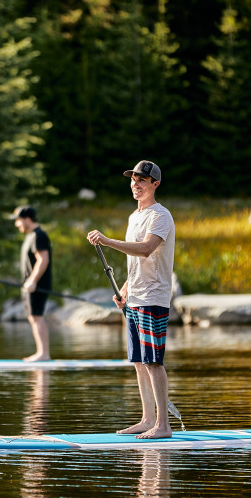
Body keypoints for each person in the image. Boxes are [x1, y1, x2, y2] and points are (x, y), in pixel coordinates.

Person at [86, 160, 175, 439]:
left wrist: (108, 241)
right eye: (133, 180)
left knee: (153, 361)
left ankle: (164, 425)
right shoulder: (133, 217)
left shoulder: (161, 216)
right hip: (135, 297)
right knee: (138, 360)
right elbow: (135, 262)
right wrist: (124, 288)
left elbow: (147, 249)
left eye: (142, 181)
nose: (135, 185)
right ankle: (148, 419)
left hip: (153, 298)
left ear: (155, 185)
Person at [11, 205, 53, 362]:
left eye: (18, 221)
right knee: (33, 317)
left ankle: (43, 354)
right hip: (31, 285)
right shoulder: (31, 236)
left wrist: (33, 281)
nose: (17, 224)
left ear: (27, 219)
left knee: (37, 316)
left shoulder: (38, 235)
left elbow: (43, 259)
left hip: (37, 285)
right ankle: (42, 353)